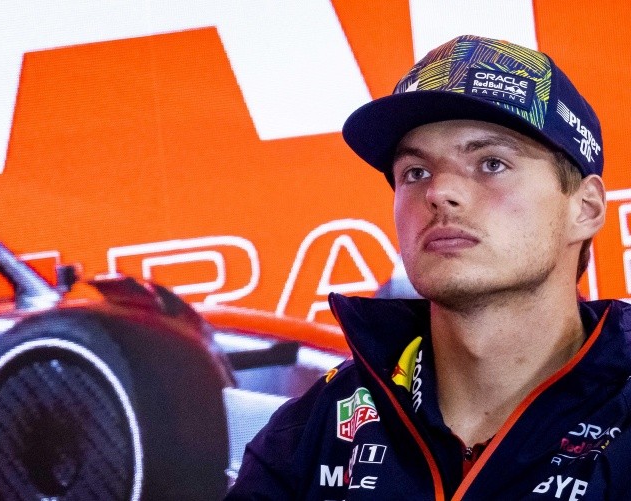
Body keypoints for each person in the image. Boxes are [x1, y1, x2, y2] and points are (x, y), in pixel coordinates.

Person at [226, 35, 631, 500]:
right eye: (415, 172)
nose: (439, 192)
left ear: (586, 208)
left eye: (491, 163)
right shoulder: (313, 431)